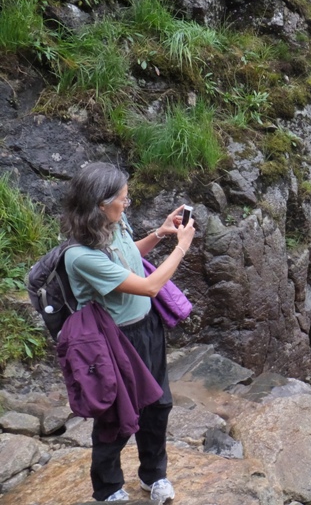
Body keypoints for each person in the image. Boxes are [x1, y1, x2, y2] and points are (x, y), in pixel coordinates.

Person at [62, 162, 195, 503]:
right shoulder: (80, 256)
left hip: (147, 328)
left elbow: (127, 259)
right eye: (122, 199)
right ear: (100, 204)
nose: (127, 203)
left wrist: (160, 234)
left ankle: (154, 477)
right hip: (113, 341)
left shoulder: (113, 224)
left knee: (159, 404)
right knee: (117, 413)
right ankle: (107, 489)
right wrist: (181, 246)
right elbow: (150, 285)